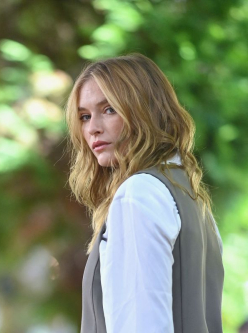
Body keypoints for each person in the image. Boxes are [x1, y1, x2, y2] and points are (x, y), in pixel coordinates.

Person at [65, 53, 224, 333]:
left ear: (144, 111)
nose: (93, 128)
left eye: (109, 109)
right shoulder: (190, 197)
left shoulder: (138, 194)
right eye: (85, 116)